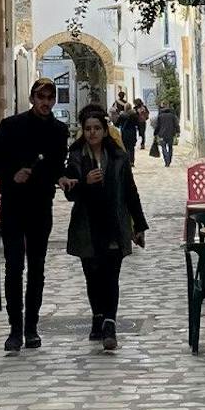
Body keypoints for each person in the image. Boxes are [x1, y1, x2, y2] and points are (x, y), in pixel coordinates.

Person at [0, 77, 69, 353]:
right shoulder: (11, 126)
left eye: (50, 98)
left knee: (38, 268)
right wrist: (12, 174)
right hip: (14, 205)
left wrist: (60, 178)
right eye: (41, 97)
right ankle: (14, 328)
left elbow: (56, 165)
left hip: (41, 205)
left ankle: (32, 327)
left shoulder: (59, 131)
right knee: (14, 267)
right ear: (32, 98)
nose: (45, 102)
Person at [60, 102, 147, 350]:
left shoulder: (118, 157)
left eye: (97, 127)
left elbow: (131, 192)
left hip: (113, 223)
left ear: (104, 130)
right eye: (88, 128)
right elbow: (70, 196)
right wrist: (84, 182)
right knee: (92, 276)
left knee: (111, 276)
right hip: (87, 226)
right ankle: (97, 316)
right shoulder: (76, 157)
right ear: (83, 131)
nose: (93, 133)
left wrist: (138, 225)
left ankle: (109, 324)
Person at [153, 97, 181, 167]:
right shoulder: (172, 115)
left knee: (163, 147)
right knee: (170, 147)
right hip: (171, 133)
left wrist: (155, 133)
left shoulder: (160, 116)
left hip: (162, 134)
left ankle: (166, 160)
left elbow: (157, 126)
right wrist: (178, 131)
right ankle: (169, 159)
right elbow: (176, 124)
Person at [118, 96, 142, 166]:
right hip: (132, 132)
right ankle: (132, 161)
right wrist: (140, 133)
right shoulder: (134, 115)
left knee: (125, 147)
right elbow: (138, 124)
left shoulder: (122, 115)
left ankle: (126, 160)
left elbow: (117, 123)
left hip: (124, 132)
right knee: (131, 148)